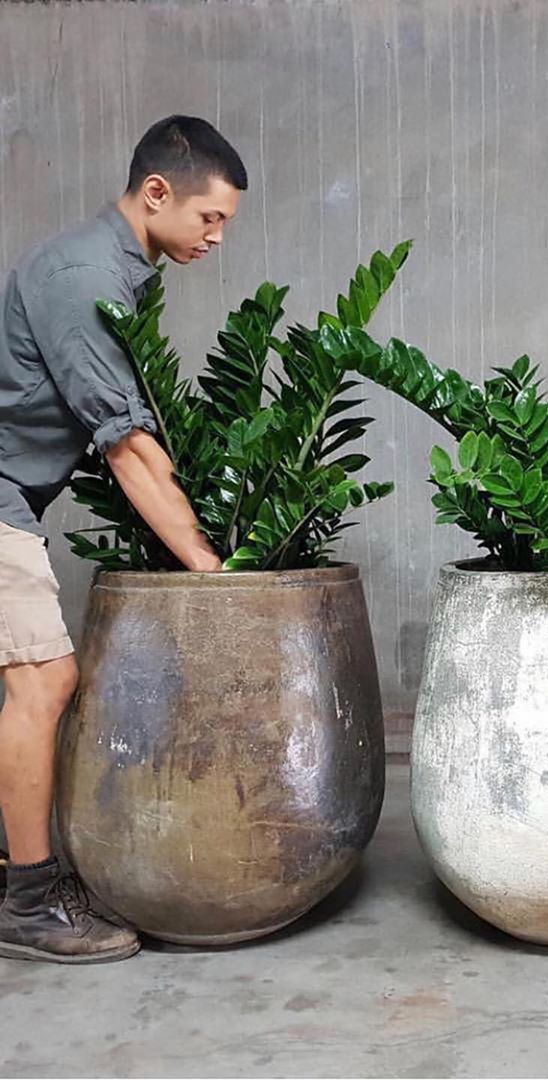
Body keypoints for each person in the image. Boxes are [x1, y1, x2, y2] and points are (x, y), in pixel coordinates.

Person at [0, 115, 245, 962]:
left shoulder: (117, 270)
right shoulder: (84, 278)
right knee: (45, 680)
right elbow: (130, 445)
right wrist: (213, 572)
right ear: (156, 193)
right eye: (209, 218)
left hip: (12, 489)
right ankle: (28, 902)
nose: (217, 237)